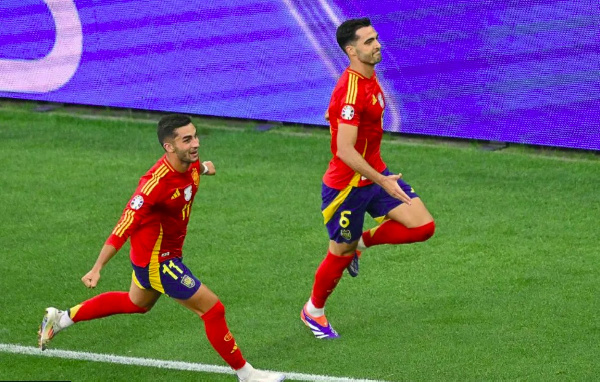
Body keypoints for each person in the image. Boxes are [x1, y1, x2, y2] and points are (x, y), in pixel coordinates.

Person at [38, 114, 285, 382]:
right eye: (187, 139)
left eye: (196, 136)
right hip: (159, 262)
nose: (196, 144)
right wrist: (97, 268)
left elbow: (192, 170)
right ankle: (247, 375)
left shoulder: (189, 163)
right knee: (213, 310)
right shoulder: (152, 186)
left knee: (136, 303)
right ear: (169, 147)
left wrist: (204, 169)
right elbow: (124, 225)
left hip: (158, 257)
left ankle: (61, 318)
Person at [301, 18, 436, 339]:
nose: (377, 45)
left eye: (376, 38)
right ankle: (313, 311)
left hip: (373, 174)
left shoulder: (368, 77)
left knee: (422, 226)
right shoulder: (351, 92)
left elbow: (345, 117)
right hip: (347, 187)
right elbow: (345, 150)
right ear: (351, 50)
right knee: (338, 253)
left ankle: (359, 243)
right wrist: (384, 181)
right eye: (368, 42)